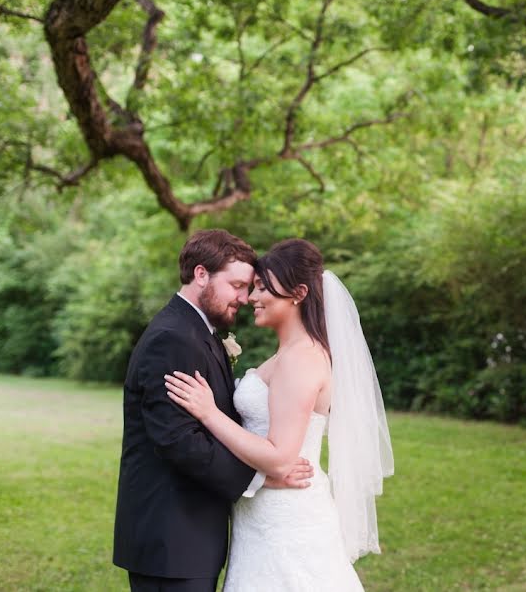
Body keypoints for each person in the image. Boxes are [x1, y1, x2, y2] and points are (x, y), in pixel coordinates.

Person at [165, 238, 394, 591]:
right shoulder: (286, 355)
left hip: (286, 518)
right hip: (262, 515)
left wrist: (210, 414)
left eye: (261, 288)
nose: (251, 298)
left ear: (298, 293)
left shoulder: (302, 359)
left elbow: (280, 457)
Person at [113, 230, 314, 592]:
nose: (245, 296)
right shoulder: (172, 338)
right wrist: (261, 479)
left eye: (249, 286)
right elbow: (179, 441)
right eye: (236, 285)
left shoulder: (198, 331)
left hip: (191, 537)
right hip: (170, 540)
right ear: (201, 274)